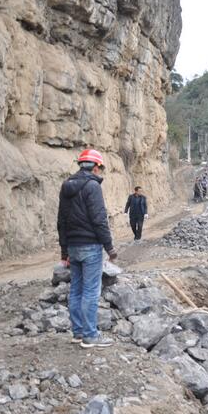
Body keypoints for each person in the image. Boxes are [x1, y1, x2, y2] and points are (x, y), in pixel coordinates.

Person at [57, 149, 116, 349]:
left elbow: (61, 221)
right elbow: (99, 219)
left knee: (76, 290)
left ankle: (78, 332)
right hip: (90, 245)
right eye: (100, 169)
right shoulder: (92, 186)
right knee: (91, 291)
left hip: (73, 246)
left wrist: (64, 251)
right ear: (96, 167)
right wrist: (109, 246)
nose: (100, 172)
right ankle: (91, 335)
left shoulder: (66, 186)